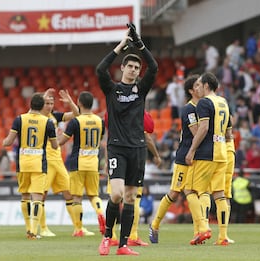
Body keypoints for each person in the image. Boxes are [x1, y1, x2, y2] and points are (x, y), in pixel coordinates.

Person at [96, 24, 158, 256]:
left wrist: (140, 43)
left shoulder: (141, 90)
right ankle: (107, 237)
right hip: (117, 149)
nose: (133, 69)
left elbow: (154, 66)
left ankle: (123, 246)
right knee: (116, 194)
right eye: (129, 66)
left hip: (138, 150)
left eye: (136, 67)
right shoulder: (112, 90)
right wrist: (121, 45)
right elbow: (100, 69)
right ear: (122, 68)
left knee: (131, 197)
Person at [149, 74, 201, 244]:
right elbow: (195, 132)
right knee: (174, 193)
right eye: (199, 85)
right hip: (184, 156)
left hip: (197, 156)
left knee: (192, 192)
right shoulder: (188, 109)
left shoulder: (203, 107)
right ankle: (154, 225)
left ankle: (198, 232)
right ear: (191, 90)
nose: (202, 87)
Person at [38, 88, 94, 237]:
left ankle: (78, 228)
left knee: (70, 193)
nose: (49, 106)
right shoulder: (37, 118)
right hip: (45, 161)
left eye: (51, 103)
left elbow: (78, 114)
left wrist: (70, 102)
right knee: (41, 195)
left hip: (58, 161)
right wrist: (43, 96)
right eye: (46, 103)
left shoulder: (55, 117)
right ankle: (43, 228)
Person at [184, 72, 232, 246]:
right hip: (222, 153)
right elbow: (228, 132)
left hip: (207, 153)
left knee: (191, 190)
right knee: (219, 195)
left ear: (205, 86)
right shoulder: (224, 102)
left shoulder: (205, 102)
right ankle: (223, 236)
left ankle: (203, 228)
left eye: (200, 85)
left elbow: (203, 128)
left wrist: (192, 150)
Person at [2, 93, 58, 239]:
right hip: (39, 163)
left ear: (30, 104)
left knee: (25, 196)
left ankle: (28, 228)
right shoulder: (47, 122)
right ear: (42, 106)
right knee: (37, 198)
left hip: (23, 163)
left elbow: (8, 142)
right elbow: (55, 145)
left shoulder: (20, 119)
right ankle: (33, 230)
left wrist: (4, 142)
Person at [105, 110, 161, 247]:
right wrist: (156, 155)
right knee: (133, 198)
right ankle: (132, 235)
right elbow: (147, 134)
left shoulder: (112, 109)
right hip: (133, 156)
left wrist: (108, 159)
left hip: (116, 156)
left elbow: (109, 134)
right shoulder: (140, 112)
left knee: (115, 196)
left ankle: (110, 236)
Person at [58, 91, 106, 237]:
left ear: (79, 104)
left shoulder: (75, 122)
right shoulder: (100, 121)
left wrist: (55, 136)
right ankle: (100, 214)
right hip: (93, 163)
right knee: (93, 195)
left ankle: (78, 228)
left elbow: (61, 142)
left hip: (77, 163)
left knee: (77, 197)